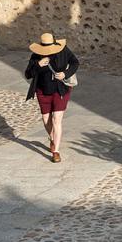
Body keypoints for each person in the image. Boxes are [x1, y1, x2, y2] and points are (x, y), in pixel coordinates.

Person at [24, 31, 79, 162]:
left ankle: (56, 151)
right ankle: (53, 138)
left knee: (56, 119)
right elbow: (28, 74)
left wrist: (65, 74)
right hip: (42, 90)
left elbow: (75, 63)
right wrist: (38, 65)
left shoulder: (63, 50)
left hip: (60, 90)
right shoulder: (36, 55)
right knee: (46, 119)